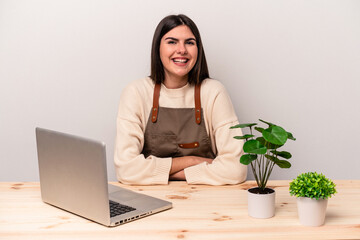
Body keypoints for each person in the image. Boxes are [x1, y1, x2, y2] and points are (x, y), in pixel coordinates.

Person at [114, 14, 246, 185]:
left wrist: (158, 173)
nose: (182, 50)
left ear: (198, 49)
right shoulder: (136, 92)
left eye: (190, 42)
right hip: (150, 199)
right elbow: (126, 169)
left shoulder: (213, 92)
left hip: (209, 199)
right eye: (172, 42)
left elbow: (236, 170)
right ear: (157, 48)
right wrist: (192, 161)